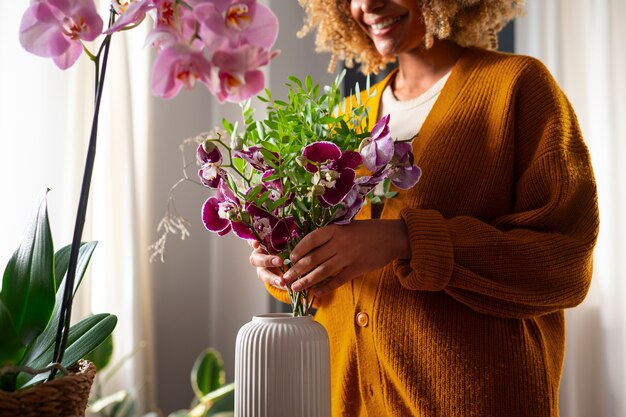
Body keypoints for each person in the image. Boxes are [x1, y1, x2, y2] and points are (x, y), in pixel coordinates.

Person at [249, 0, 600, 415]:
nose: (367, 5)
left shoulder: (515, 87)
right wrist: (287, 263)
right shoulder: (345, 117)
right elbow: (332, 281)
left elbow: (565, 266)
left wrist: (405, 239)